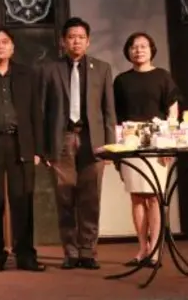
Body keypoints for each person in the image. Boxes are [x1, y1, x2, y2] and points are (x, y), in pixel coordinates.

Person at [40, 17, 116, 270]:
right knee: (65, 198)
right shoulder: (49, 69)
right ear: (63, 41)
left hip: (93, 140)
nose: (76, 41)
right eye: (71, 37)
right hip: (62, 139)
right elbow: (42, 111)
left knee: (91, 198)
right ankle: (71, 252)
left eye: (81, 37)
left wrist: (110, 146)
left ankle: (88, 251)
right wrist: (44, 148)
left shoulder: (102, 68)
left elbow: (108, 110)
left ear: (88, 41)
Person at [0, 27, 46, 273]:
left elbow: (36, 112)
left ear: (13, 47)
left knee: (23, 200)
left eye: (4, 42)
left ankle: (25, 255)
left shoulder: (27, 74)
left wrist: (38, 148)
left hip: (20, 143)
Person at [113, 32, 179, 268]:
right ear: (128, 51)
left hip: (157, 142)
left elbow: (173, 112)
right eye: (133, 46)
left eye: (143, 46)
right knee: (136, 197)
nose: (138, 50)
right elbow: (115, 116)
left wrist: (169, 144)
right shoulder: (121, 81)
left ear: (151, 50)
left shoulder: (163, 76)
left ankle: (156, 249)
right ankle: (143, 248)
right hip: (130, 143)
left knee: (153, 197)